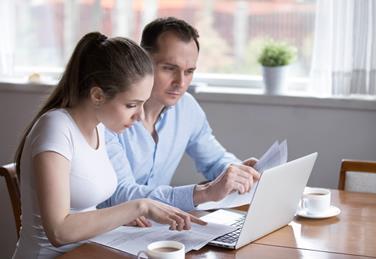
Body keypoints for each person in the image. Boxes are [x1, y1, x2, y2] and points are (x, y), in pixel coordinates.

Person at [12, 32, 206, 259]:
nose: (138, 116)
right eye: (131, 104)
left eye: (142, 104)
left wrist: (118, 217)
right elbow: (59, 231)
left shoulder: (99, 127)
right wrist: (137, 207)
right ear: (97, 95)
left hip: (89, 251)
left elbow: (87, 208)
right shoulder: (55, 129)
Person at [99, 17, 260, 218]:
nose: (181, 83)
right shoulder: (110, 113)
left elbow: (214, 160)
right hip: (108, 231)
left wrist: (237, 172)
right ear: (143, 60)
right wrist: (202, 193)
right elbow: (120, 194)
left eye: (189, 71)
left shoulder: (187, 107)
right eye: (169, 68)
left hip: (157, 228)